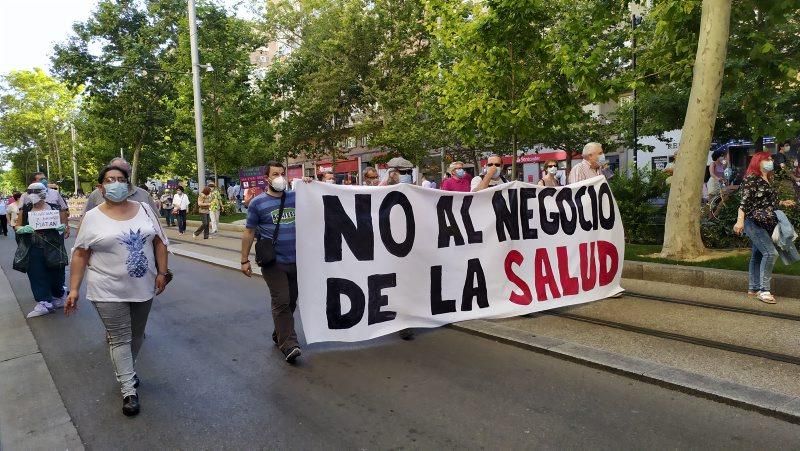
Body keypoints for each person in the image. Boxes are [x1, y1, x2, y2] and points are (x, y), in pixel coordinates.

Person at [66, 164, 169, 417]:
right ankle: (128, 389)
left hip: (143, 285)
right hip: (106, 288)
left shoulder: (145, 209)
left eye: (120, 179)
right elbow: (81, 254)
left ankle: (126, 370)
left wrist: (163, 273)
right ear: (101, 187)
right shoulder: (92, 217)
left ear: (128, 185)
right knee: (120, 337)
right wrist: (74, 289)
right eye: (110, 179)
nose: (116, 183)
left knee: (137, 335)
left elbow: (160, 241)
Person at [240, 161, 302, 363]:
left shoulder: (295, 197)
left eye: (282, 174)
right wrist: (244, 260)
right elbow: (249, 232)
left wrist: (310, 184)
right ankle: (289, 344)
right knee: (282, 300)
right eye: (275, 174)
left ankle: (279, 334)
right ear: (266, 177)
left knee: (291, 301)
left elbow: (318, 200)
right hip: (273, 262)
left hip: (296, 260)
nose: (280, 178)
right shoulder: (258, 203)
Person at [733, 151, 795, 304]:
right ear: (757, 162)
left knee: (758, 254)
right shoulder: (751, 179)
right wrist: (740, 222)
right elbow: (744, 203)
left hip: (766, 221)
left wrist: (782, 203)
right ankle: (764, 290)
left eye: (771, 159)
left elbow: (765, 201)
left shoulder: (767, 178)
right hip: (753, 222)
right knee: (770, 253)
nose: (770, 161)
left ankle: (753, 288)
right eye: (767, 159)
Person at [14, 183, 69, 318]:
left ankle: (59, 294)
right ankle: (44, 301)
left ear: (44, 193)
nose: (33, 194)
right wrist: (21, 229)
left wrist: (62, 227)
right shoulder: (25, 209)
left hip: (53, 247)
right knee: (36, 274)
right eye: (30, 191)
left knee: (56, 273)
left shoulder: (55, 208)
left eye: (36, 191)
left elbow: (65, 224)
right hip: (33, 247)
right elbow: (17, 225)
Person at [82, 158, 156, 215]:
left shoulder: (144, 195)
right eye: (115, 169)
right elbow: (85, 220)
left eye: (123, 172)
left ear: (129, 173)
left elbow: (156, 224)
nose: (119, 173)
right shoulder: (95, 195)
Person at [23, 172, 71, 239]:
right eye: (41, 179)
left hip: (54, 235)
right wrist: (22, 228)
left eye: (45, 178)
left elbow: (63, 210)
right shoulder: (25, 196)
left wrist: (65, 226)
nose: (44, 181)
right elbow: (21, 214)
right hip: (33, 236)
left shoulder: (55, 193)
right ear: (33, 182)